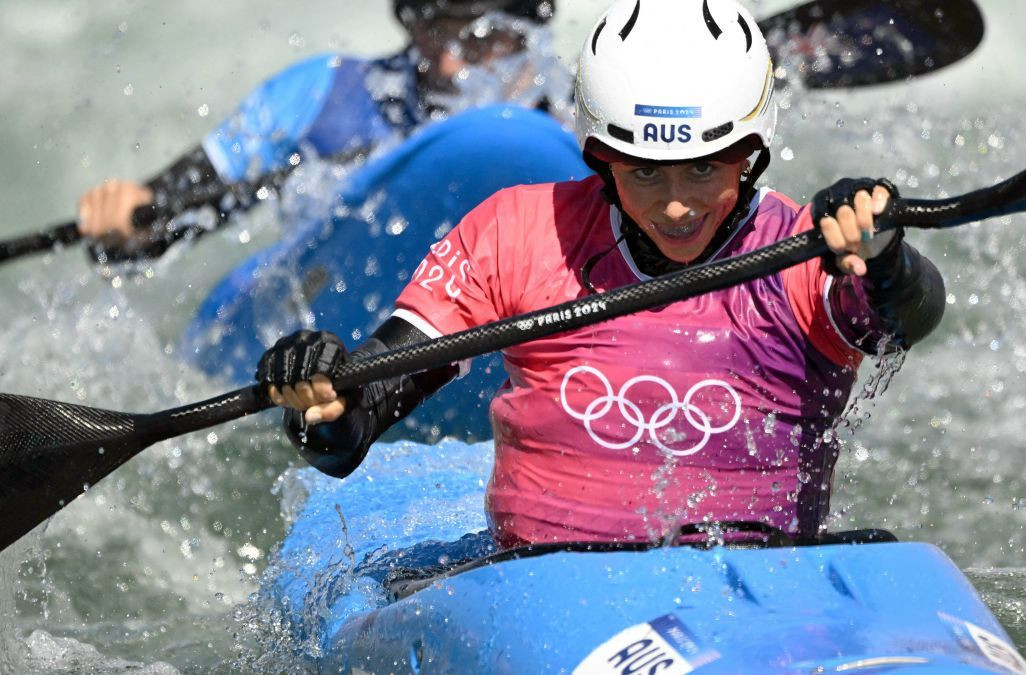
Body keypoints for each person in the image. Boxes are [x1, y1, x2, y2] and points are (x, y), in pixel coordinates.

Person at [255, 0, 946, 548]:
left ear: (752, 154)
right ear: (599, 154)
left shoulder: (807, 251)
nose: (677, 204)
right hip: (545, 589)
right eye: (644, 171)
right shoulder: (519, 233)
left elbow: (905, 321)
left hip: (766, 590)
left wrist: (886, 258)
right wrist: (327, 402)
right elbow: (356, 426)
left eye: (706, 168)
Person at [75, 0, 564, 261]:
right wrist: (129, 227)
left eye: (479, 38)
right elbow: (177, 206)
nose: (450, 59)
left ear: (528, 29)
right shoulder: (324, 92)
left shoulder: (576, 127)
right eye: (434, 27)